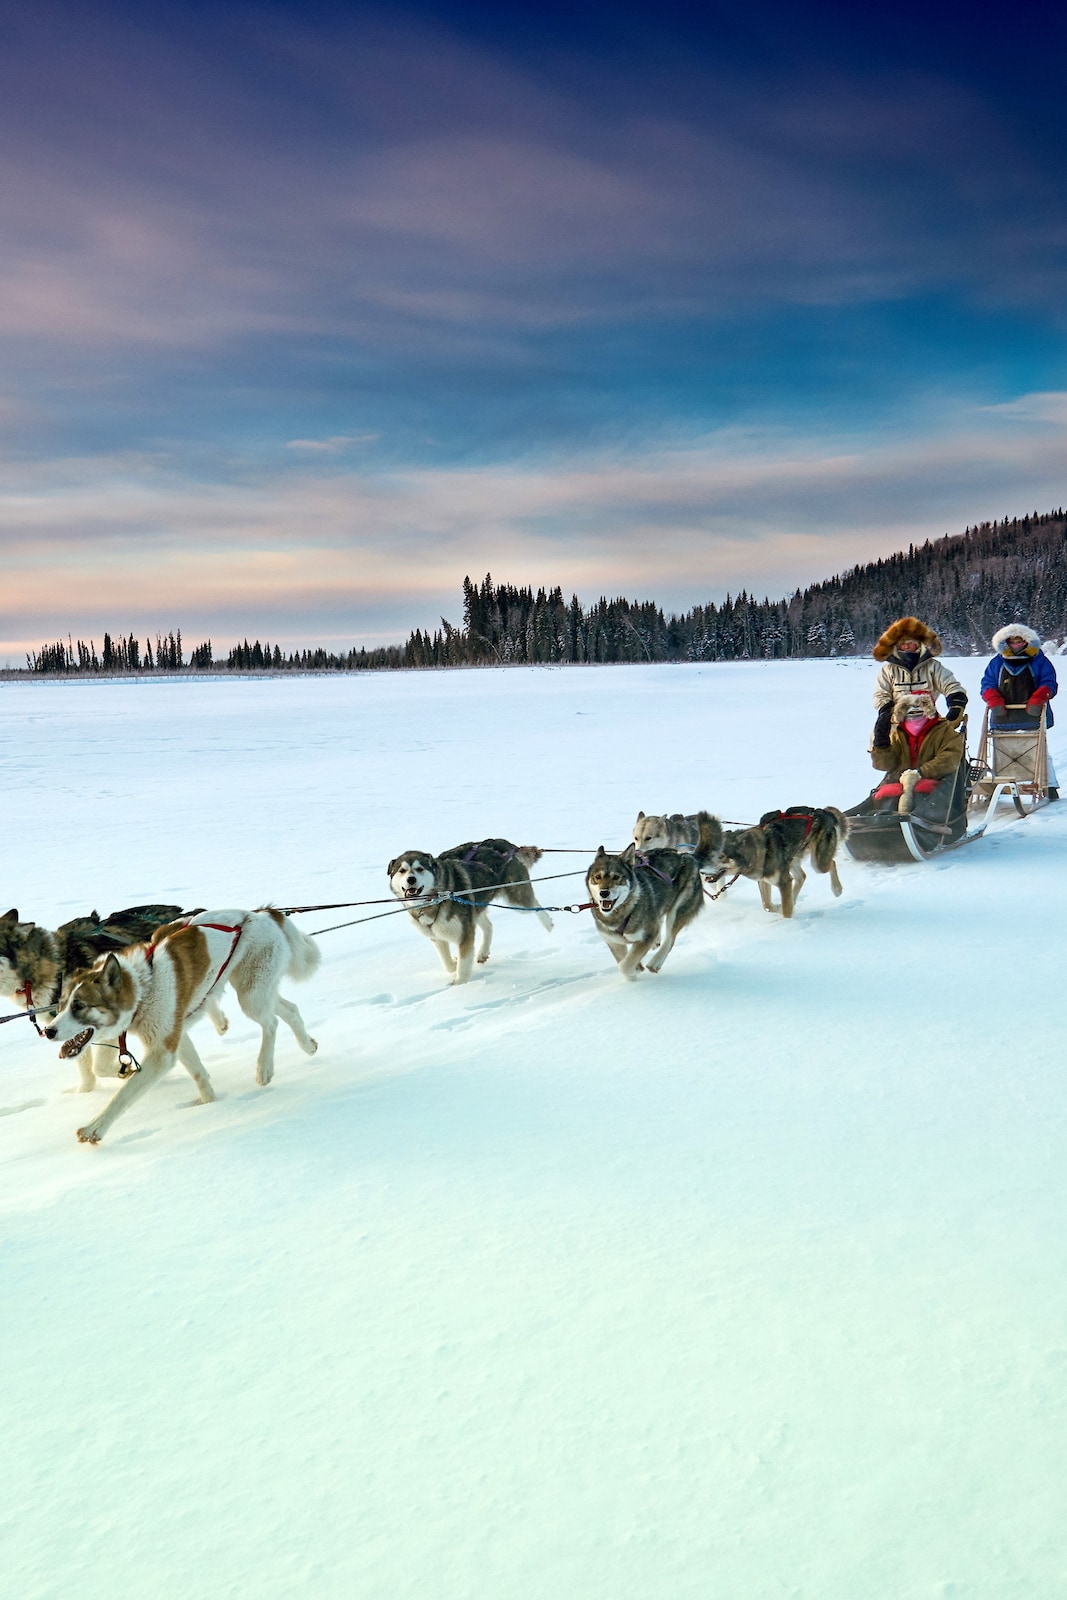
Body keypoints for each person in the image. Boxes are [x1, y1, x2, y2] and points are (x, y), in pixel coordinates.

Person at [980, 624, 1059, 797]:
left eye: (1019, 640)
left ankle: (1048, 785)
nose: (1015, 644)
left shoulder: (1039, 660)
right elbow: (987, 684)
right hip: (1003, 714)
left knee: (1039, 751)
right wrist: (993, 699)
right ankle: (999, 784)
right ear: (1005, 643)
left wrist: (1039, 698)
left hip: (1033, 714)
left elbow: (1049, 682)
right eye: (1012, 641)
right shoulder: (997, 662)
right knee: (1001, 750)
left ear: (1027, 641)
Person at [871, 616, 967, 755]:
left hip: (927, 720)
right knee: (881, 746)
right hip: (897, 721)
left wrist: (956, 706)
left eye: (911, 643)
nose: (907, 647)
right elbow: (881, 693)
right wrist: (886, 711)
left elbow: (951, 685)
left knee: (950, 747)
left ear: (919, 644)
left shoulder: (932, 666)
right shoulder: (888, 670)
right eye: (903, 644)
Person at [870, 691, 966, 815]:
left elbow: (949, 758)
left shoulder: (944, 730)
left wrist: (921, 772)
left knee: (920, 792)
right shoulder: (898, 733)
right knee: (886, 794)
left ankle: (916, 823)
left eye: (919, 713)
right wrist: (881, 744)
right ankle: (885, 821)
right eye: (910, 713)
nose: (914, 716)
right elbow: (886, 765)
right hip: (901, 779)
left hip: (936, 779)